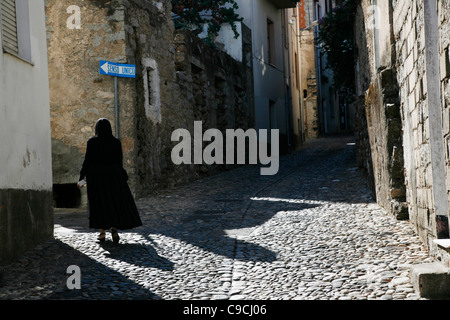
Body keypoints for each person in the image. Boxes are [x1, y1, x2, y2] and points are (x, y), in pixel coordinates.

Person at [78, 118, 142, 244]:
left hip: (96, 177)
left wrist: (81, 176)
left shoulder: (92, 142)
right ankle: (113, 227)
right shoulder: (116, 142)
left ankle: (102, 233)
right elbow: (119, 160)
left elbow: (87, 160)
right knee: (112, 202)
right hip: (113, 176)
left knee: (99, 204)